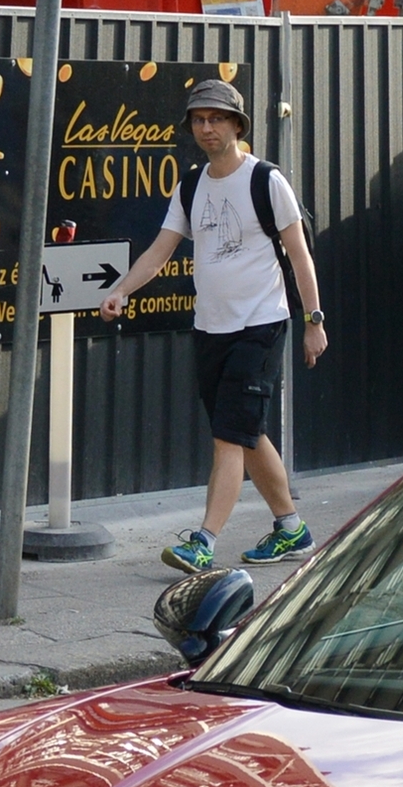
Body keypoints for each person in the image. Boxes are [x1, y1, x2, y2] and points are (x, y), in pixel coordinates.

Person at [99, 78, 324, 573]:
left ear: (237, 125)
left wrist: (314, 320)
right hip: (211, 329)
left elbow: (300, 255)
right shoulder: (191, 185)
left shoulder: (267, 181)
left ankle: (202, 542)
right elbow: (160, 251)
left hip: (261, 325)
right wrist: (120, 291)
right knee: (245, 431)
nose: (206, 128)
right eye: (199, 120)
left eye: (216, 119)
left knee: (228, 436)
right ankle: (292, 530)